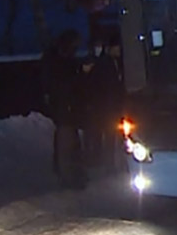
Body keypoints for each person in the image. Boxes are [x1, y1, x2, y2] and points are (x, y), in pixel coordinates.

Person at [44, 29, 87, 189]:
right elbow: (64, 84)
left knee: (68, 142)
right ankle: (68, 178)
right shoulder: (61, 61)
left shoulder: (57, 59)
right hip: (65, 108)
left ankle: (70, 175)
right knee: (66, 144)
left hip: (65, 108)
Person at [86, 29, 125, 172]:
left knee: (111, 135)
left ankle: (109, 163)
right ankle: (105, 163)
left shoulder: (118, 63)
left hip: (113, 106)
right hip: (105, 106)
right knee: (106, 135)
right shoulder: (103, 64)